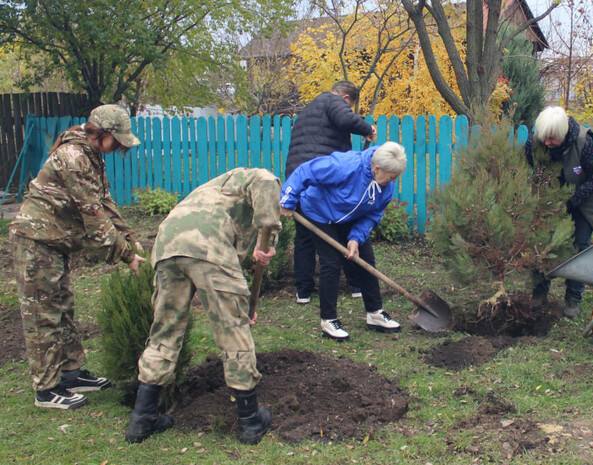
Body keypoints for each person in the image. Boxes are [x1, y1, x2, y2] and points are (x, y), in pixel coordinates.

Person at [125, 168, 282, 444]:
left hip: (168, 246)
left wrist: (257, 250)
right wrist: (267, 235)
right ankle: (250, 422)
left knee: (164, 329)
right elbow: (267, 183)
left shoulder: (215, 191)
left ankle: (142, 419)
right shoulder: (258, 176)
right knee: (233, 330)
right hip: (208, 247)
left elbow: (232, 255)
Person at [10, 104, 145, 410]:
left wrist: (131, 238)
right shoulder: (73, 157)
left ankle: (71, 374)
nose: (120, 147)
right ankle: (46, 389)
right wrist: (127, 256)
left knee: (63, 307)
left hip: (55, 242)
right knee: (43, 314)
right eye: (118, 139)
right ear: (104, 133)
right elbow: (94, 217)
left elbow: (105, 201)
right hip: (36, 241)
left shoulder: (91, 154)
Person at [279, 142, 406, 340]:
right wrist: (288, 200)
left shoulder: (385, 188)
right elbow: (306, 171)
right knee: (331, 262)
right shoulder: (345, 165)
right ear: (377, 169)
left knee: (366, 259)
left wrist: (355, 238)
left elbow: (372, 215)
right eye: (391, 177)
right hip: (318, 212)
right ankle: (328, 320)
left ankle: (374, 313)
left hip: (348, 218)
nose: (392, 181)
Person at [285, 81, 377, 305]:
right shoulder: (333, 101)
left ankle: (304, 290)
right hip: (323, 177)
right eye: (349, 105)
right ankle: (356, 284)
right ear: (346, 99)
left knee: (305, 236)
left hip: (297, 176)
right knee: (342, 225)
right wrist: (368, 129)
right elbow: (345, 119)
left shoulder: (307, 110)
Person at [524, 106, 593, 318]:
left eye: (553, 139)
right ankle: (539, 293)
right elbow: (526, 167)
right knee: (541, 243)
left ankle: (573, 299)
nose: (548, 143)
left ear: (563, 134)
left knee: (578, 247)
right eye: (545, 138)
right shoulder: (534, 143)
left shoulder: (584, 144)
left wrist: (571, 201)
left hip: (584, 202)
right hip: (550, 200)